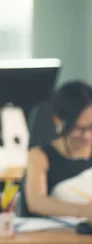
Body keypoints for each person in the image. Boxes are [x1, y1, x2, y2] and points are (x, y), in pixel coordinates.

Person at [22, 81, 92, 220]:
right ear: (58, 120)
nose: (87, 135)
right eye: (78, 128)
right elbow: (36, 202)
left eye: (91, 127)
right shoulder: (40, 155)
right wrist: (84, 210)